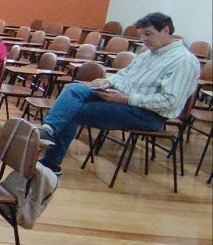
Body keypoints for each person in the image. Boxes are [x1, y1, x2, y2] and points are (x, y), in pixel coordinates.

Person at [38, 12, 199, 174]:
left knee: (73, 110)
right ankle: (47, 130)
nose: (143, 39)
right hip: (120, 98)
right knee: (73, 89)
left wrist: (127, 99)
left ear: (165, 30)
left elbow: (169, 101)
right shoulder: (148, 54)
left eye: (148, 34)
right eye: (141, 35)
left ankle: (50, 163)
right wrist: (107, 82)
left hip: (147, 114)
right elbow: (123, 74)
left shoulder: (184, 61)